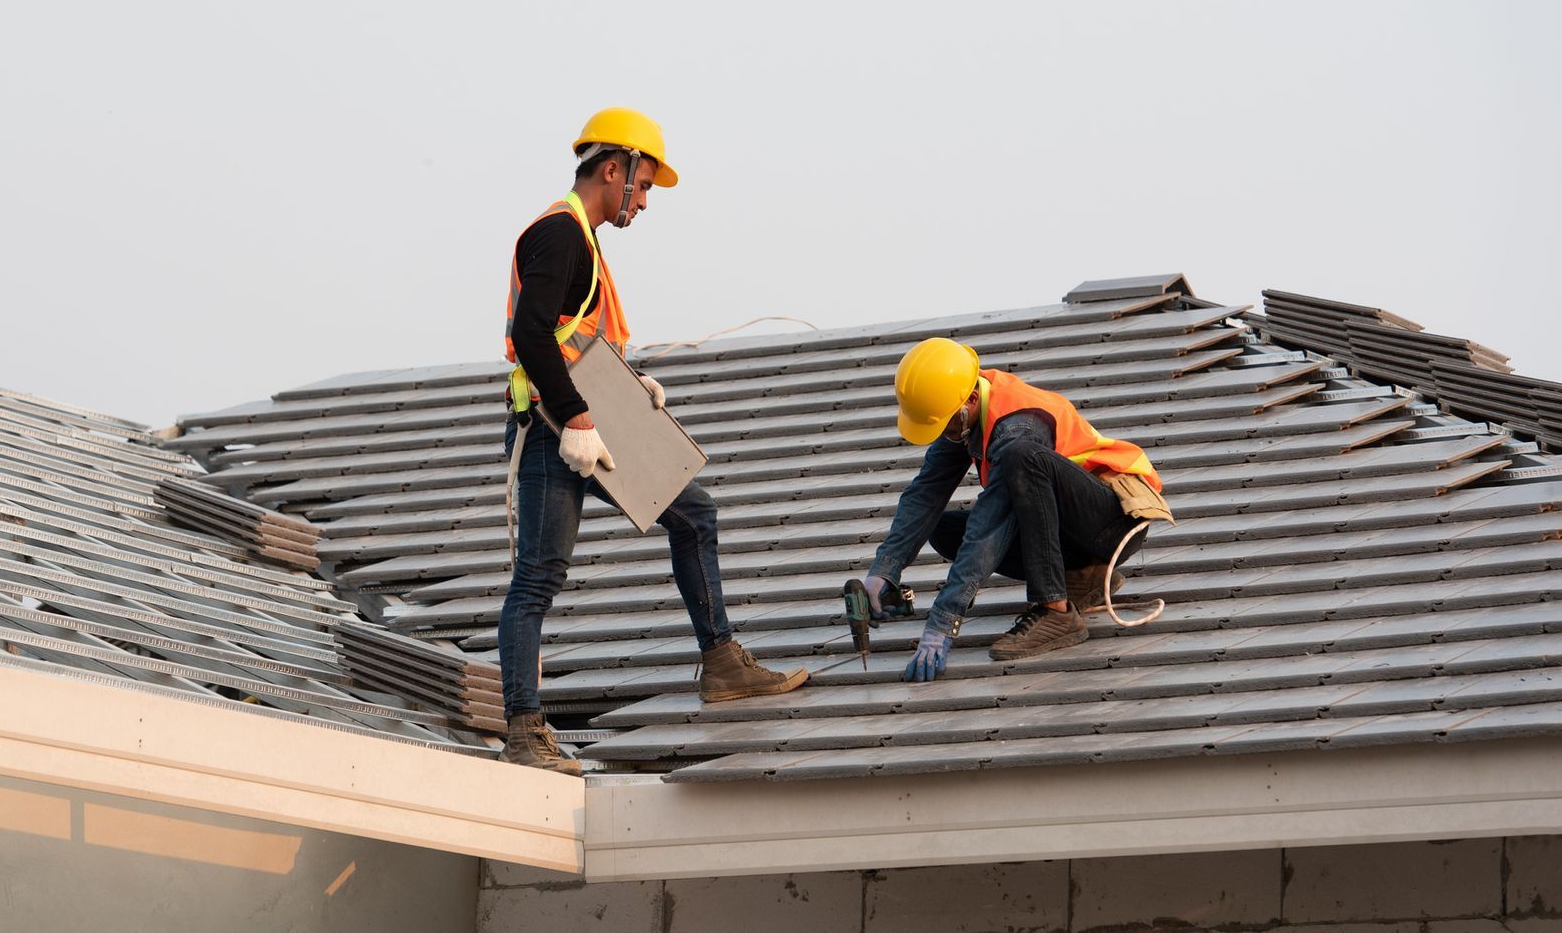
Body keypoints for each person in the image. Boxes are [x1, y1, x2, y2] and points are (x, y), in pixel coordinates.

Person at [497, 108, 808, 774]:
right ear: (614, 169)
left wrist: (629, 384)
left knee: (694, 513)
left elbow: (566, 337)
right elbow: (529, 336)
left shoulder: (581, 239)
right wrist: (579, 417)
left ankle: (722, 663)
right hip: (557, 433)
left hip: (584, 419)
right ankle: (524, 731)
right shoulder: (559, 234)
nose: (643, 201)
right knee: (538, 580)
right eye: (642, 186)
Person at [861, 337, 1169, 682]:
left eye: (946, 424)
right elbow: (925, 493)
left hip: (1115, 523)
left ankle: (1055, 611)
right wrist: (885, 569)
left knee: (1020, 458)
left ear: (971, 401)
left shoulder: (1018, 426)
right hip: (1076, 531)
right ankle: (1084, 578)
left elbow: (989, 527)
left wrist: (944, 620)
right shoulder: (966, 413)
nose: (945, 435)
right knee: (945, 530)